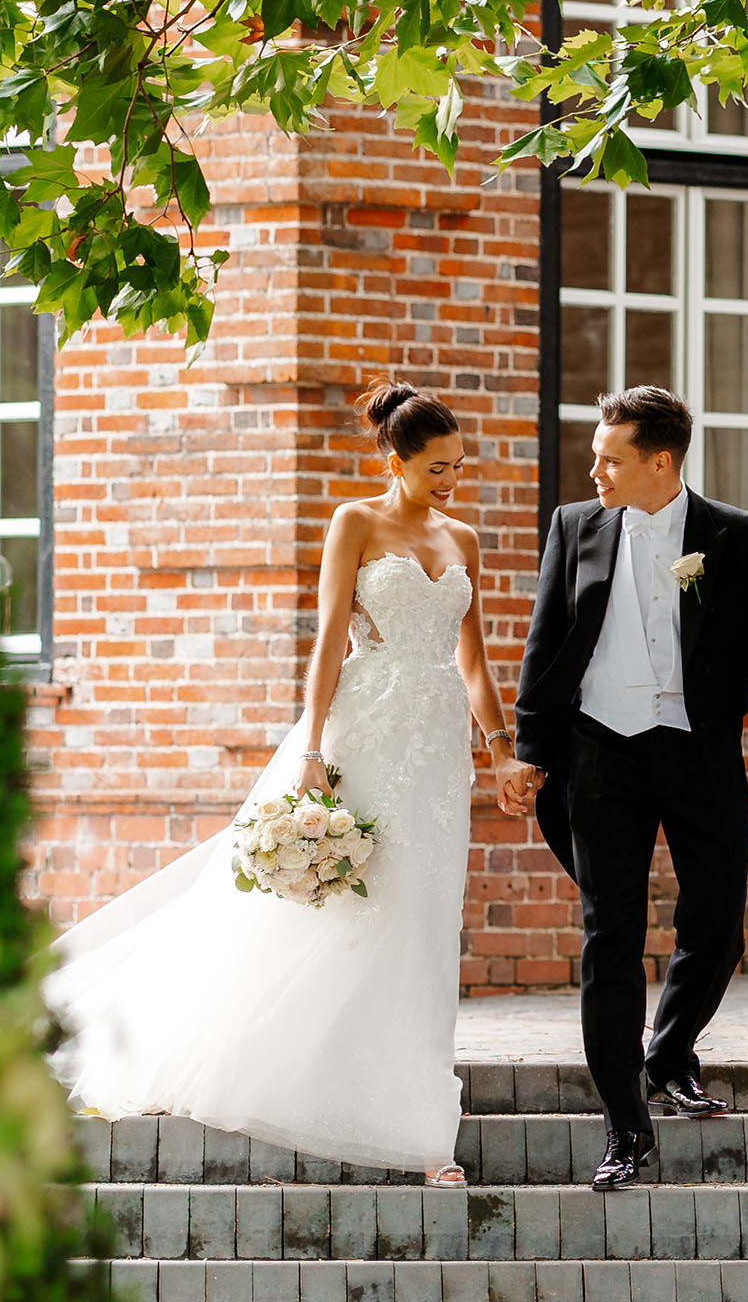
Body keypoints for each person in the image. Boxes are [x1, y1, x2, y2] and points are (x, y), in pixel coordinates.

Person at [43, 380, 534, 1186]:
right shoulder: (356, 522)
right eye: (438, 468)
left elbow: (471, 658)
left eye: (458, 467)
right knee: (341, 900)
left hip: (438, 750)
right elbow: (329, 640)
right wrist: (310, 747)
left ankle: (415, 1116)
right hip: (365, 726)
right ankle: (263, 1060)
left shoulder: (465, 541)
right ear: (396, 458)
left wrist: (499, 746)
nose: (451, 482)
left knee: (421, 911)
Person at [504, 385, 748, 1191]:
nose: (594, 470)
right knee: (611, 937)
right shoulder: (575, 527)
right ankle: (625, 1127)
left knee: (716, 930)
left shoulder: (735, 537)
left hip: (699, 752)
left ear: (661, 461)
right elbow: (545, 645)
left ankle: (669, 1051)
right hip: (600, 752)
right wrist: (528, 751)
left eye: (611, 457)